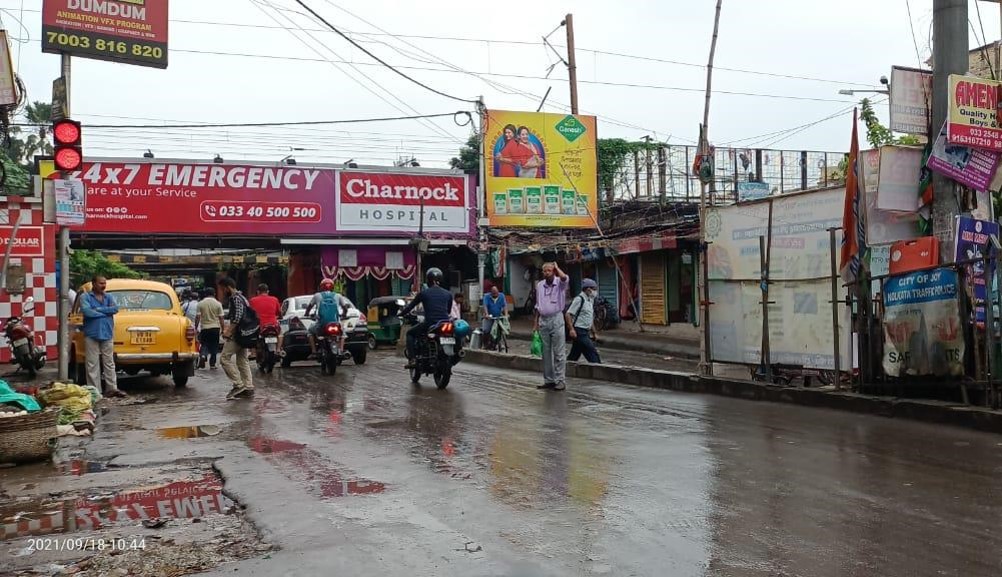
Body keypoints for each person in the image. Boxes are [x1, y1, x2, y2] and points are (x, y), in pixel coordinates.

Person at [80, 276, 126, 397]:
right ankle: (95, 391)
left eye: (104, 283)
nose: (103, 286)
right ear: (94, 284)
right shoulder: (85, 297)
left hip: (107, 333)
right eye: (101, 283)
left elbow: (115, 309)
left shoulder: (108, 296)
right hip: (92, 333)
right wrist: (106, 312)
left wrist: (98, 309)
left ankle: (112, 389)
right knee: (92, 363)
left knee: (109, 362)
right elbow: (87, 311)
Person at [400, 267, 453, 367]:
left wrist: (401, 314)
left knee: (410, 333)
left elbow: (410, 307)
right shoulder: (448, 294)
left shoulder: (424, 293)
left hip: (430, 323)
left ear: (428, 280)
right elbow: (448, 311)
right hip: (445, 322)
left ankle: (412, 359)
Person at [533, 262, 569, 390]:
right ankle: (549, 380)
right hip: (543, 320)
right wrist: (535, 324)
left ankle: (560, 380)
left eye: (549, 270)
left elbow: (564, 278)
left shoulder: (559, 283)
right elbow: (538, 305)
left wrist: (557, 268)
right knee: (546, 352)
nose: (547, 273)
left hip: (556, 318)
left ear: (553, 272)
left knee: (559, 352)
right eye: (545, 271)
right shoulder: (540, 285)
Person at [218, 277, 254, 400]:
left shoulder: (235, 298)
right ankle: (248, 387)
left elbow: (237, 318)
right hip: (245, 333)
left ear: (227, 287)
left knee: (224, 358)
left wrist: (228, 331)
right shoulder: (243, 297)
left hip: (238, 334)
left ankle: (238, 385)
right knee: (242, 360)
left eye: (223, 289)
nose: (222, 292)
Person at [304, 278, 352, 358]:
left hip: (321, 324)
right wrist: (344, 314)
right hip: (336, 323)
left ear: (321, 287)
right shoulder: (338, 295)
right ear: (332, 287)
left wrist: (306, 314)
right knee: (342, 334)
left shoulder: (317, 295)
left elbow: (309, 307)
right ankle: (341, 350)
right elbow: (345, 308)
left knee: (310, 332)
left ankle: (314, 352)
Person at [566, 278, 601, 364]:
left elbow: (589, 318)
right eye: (594, 289)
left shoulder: (590, 300)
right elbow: (568, 314)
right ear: (588, 289)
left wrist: (594, 332)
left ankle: (566, 367)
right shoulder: (579, 299)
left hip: (585, 330)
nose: (595, 292)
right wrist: (571, 329)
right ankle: (598, 367)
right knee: (591, 351)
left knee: (575, 353)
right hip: (579, 330)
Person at [249, 283, 284, 355]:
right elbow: (279, 312)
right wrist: (280, 317)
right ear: (268, 291)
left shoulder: (252, 300)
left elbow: (250, 313)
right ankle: (278, 349)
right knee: (280, 334)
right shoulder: (275, 299)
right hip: (273, 325)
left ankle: (253, 352)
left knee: (251, 335)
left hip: (259, 326)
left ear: (258, 292)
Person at [196, 287, 224, 369]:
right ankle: (212, 364)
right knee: (214, 345)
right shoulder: (218, 304)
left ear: (205, 294)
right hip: (215, 328)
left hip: (204, 328)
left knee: (204, 344)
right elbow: (221, 318)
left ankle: (203, 355)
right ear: (214, 294)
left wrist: (196, 327)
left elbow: (198, 317)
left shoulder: (200, 303)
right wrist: (223, 329)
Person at [481, 284, 507, 349]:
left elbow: (505, 306)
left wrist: (506, 315)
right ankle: (485, 344)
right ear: (491, 293)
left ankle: (499, 342)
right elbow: (485, 306)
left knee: (500, 330)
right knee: (486, 330)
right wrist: (486, 314)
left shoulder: (502, 296)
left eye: (496, 293)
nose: (495, 294)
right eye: (494, 293)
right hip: (489, 316)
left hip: (498, 316)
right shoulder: (487, 297)